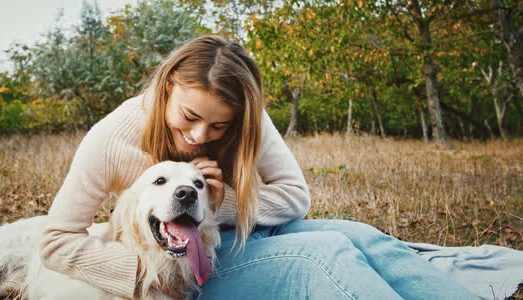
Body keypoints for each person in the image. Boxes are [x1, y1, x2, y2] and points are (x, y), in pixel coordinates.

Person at [40, 35, 477, 299]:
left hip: (243, 231)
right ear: (168, 85)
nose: (198, 135)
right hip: (182, 265)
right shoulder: (110, 139)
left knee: (360, 235)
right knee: (324, 254)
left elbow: (294, 196)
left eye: (218, 126)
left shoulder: (247, 116)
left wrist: (219, 201)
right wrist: (143, 278)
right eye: (190, 117)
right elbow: (56, 241)